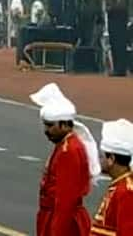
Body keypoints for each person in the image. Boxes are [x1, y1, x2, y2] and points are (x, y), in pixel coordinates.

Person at [29, 83, 100, 236]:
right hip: (50, 215)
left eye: (50, 126)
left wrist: (56, 231)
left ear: (65, 125)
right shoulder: (64, 145)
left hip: (65, 224)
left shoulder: (70, 151)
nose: (46, 131)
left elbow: (65, 202)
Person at [92, 118, 133, 235]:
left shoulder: (126, 192)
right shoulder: (120, 186)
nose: (99, 159)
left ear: (111, 159)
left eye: (102, 156)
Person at [107, 0, 129, 76]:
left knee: (120, 44)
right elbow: (108, 4)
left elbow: (123, 6)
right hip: (112, 19)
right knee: (113, 43)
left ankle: (121, 68)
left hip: (121, 19)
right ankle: (116, 67)